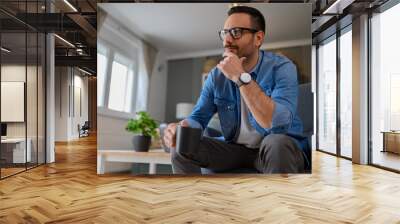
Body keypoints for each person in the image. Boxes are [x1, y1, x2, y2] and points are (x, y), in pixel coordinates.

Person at [163, 5, 310, 174]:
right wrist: (181, 127)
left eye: (236, 32)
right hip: (234, 149)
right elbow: (198, 117)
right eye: (225, 33)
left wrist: (240, 76)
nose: (227, 40)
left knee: (276, 143)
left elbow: (275, 124)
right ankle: (194, 199)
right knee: (182, 145)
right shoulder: (216, 76)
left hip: (273, 148)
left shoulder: (282, 67)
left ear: (258, 38)